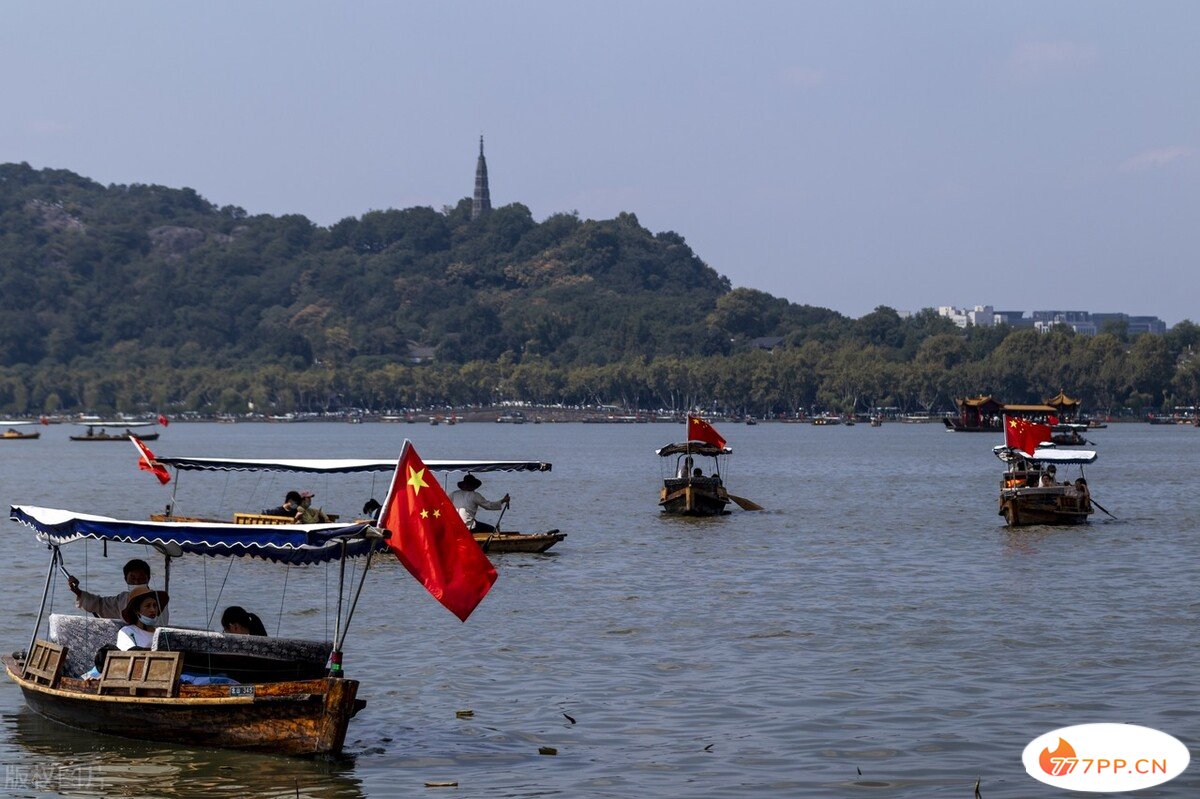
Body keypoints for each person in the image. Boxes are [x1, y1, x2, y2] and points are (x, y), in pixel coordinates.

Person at [67, 558, 169, 625]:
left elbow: (157, 627)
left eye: (141, 578)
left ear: (148, 579)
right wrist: (78, 592)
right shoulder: (122, 599)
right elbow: (99, 604)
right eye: (132, 578)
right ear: (125, 579)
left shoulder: (158, 600)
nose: (137, 582)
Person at [116, 585, 169, 651]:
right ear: (136, 611)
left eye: (155, 605)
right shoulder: (127, 632)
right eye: (148, 606)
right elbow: (126, 656)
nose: (153, 610)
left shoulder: (161, 634)